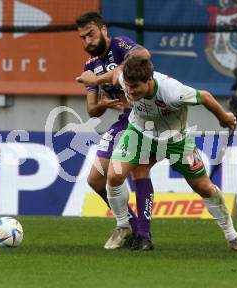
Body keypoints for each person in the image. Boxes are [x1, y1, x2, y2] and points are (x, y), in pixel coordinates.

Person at [103, 55, 237, 253]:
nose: (129, 91)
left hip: (176, 140)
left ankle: (232, 237)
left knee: (203, 187)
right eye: (128, 86)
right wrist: (95, 80)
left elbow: (206, 97)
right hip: (139, 133)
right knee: (114, 175)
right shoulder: (124, 78)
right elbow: (115, 74)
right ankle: (124, 226)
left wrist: (224, 117)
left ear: (149, 80)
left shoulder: (173, 91)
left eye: (135, 87)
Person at [75, 12, 155, 250]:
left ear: (103, 30)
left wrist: (100, 78)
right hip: (123, 119)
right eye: (82, 38)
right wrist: (103, 104)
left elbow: (143, 55)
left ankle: (143, 236)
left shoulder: (119, 45)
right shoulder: (90, 66)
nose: (87, 41)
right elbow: (92, 110)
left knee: (138, 170)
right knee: (95, 179)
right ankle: (128, 224)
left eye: (91, 34)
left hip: (146, 116)